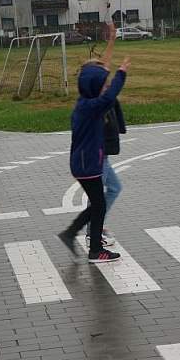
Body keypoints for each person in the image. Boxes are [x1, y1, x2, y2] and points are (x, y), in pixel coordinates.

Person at [57, 54, 131, 263]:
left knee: (97, 204)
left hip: (84, 163)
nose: (105, 88)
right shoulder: (90, 108)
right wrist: (121, 74)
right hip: (87, 164)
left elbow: (103, 92)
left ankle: (71, 233)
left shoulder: (85, 103)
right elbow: (108, 98)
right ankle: (95, 249)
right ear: (93, 86)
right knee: (98, 205)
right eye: (102, 85)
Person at [85, 24, 125, 247]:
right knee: (100, 196)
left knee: (114, 189)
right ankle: (94, 232)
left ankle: (96, 226)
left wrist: (112, 40)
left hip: (103, 155)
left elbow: (106, 64)